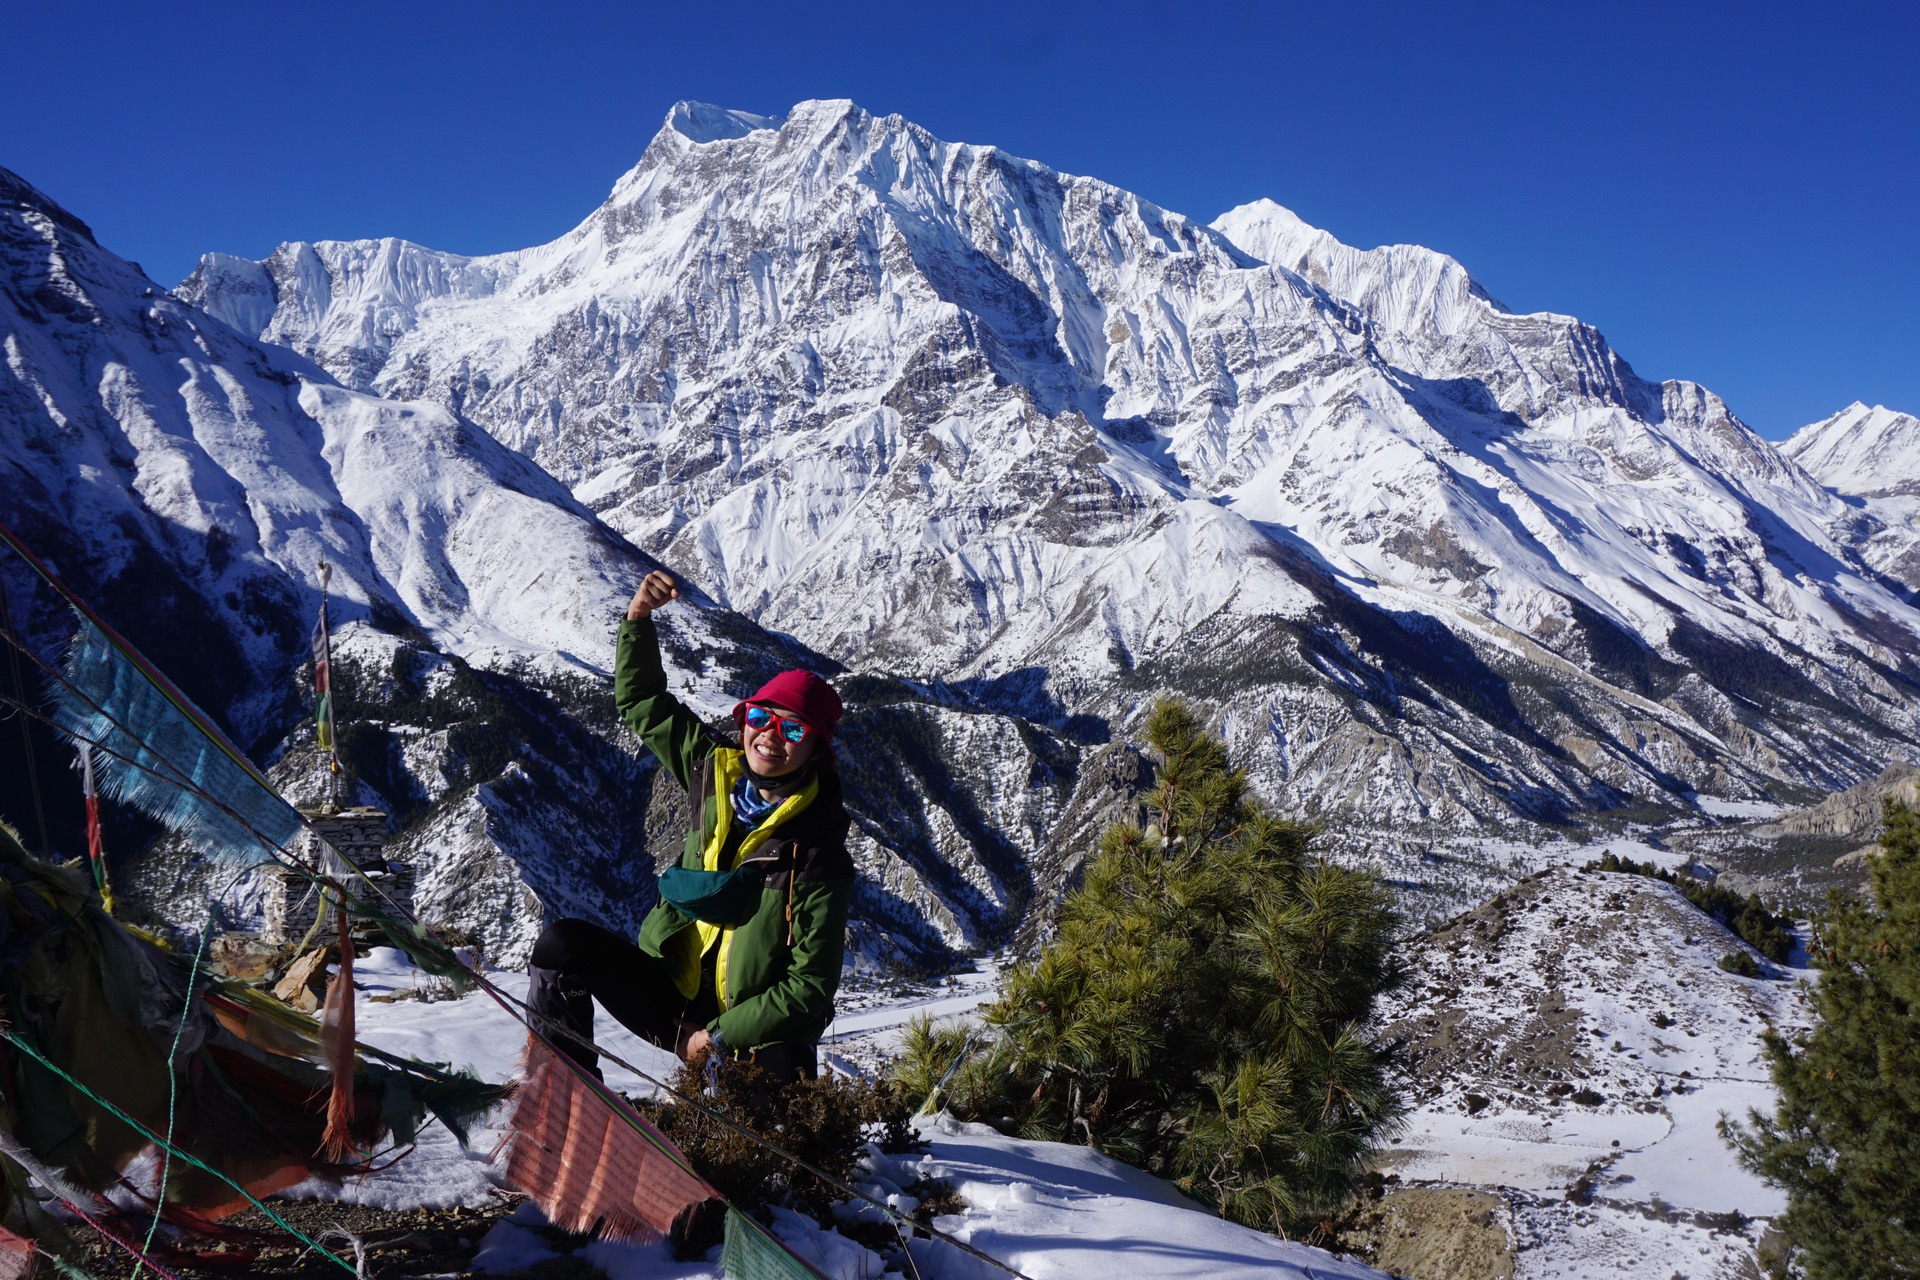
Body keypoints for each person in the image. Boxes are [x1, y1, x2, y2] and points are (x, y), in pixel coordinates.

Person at [526, 569, 854, 1084]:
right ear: (744, 718)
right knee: (561, 947)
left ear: (816, 751)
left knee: (778, 1138)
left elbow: (809, 988)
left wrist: (718, 1036)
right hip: (672, 992)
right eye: (761, 718)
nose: (770, 736)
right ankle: (567, 1091)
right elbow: (643, 705)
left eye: (794, 729)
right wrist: (638, 620)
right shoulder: (712, 771)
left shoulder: (818, 853)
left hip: (755, 1026)